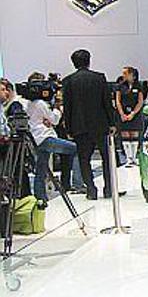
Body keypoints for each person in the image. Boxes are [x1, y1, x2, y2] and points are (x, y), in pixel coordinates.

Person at [61, 49, 119, 200]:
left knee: (84, 159)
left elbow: (67, 107)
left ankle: (91, 190)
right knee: (106, 158)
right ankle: (108, 189)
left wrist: (68, 128)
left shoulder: (68, 81)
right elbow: (106, 102)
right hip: (100, 124)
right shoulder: (99, 78)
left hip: (79, 126)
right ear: (89, 61)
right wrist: (112, 122)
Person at [25, 72, 84, 202]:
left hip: (36, 139)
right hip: (46, 138)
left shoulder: (28, 103)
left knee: (41, 170)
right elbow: (55, 120)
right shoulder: (40, 103)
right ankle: (78, 183)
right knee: (77, 149)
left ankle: (40, 197)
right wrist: (58, 107)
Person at [115, 66, 144, 166]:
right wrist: (122, 114)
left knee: (134, 134)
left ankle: (134, 157)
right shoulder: (120, 86)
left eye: (125, 73)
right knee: (125, 135)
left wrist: (133, 113)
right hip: (123, 113)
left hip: (134, 114)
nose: (123, 75)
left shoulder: (139, 86)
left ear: (132, 75)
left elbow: (140, 101)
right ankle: (128, 157)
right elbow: (118, 101)